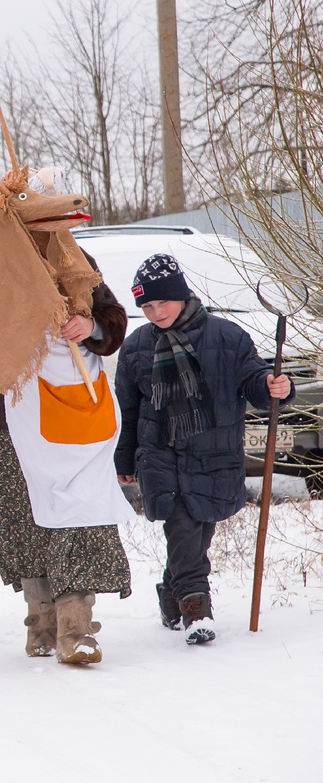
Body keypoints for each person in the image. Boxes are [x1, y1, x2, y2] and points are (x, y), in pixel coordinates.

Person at [0, 165, 132, 664]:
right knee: (30, 520)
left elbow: (114, 321)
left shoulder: (78, 258)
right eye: (42, 218)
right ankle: (41, 623)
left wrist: (89, 325)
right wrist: (27, 320)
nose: (52, 227)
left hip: (77, 412)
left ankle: (76, 629)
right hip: (13, 412)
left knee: (80, 514)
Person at [115, 253, 293, 644]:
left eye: (163, 301)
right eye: (146, 306)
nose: (156, 312)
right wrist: (124, 459)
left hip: (213, 452)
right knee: (181, 526)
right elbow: (127, 411)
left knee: (198, 533)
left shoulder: (227, 337)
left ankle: (170, 589)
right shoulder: (137, 347)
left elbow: (254, 380)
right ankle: (198, 609)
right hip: (160, 454)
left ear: (182, 295)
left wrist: (273, 386)